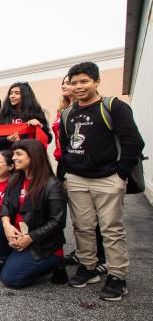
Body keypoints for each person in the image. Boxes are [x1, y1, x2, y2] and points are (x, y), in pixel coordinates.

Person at [61, 62, 144, 301]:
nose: (78, 87)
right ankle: (87, 267)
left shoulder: (114, 107)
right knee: (82, 226)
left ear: (97, 81)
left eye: (84, 81)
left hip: (108, 178)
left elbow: (133, 142)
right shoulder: (68, 113)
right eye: (74, 82)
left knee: (112, 230)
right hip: (77, 179)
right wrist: (68, 173)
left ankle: (117, 275)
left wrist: (121, 174)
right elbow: (65, 146)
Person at [0, 139, 67, 289]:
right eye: (13, 154)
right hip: (18, 234)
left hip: (41, 244)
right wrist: (6, 225)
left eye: (18, 154)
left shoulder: (52, 185)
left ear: (33, 156)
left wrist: (29, 238)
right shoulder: (16, 178)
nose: (13, 157)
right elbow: (5, 204)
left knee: (10, 279)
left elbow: (57, 222)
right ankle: (2, 260)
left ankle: (55, 263)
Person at [51, 75, 106, 273]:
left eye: (70, 82)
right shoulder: (64, 111)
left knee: (95, 216)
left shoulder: (90, 110)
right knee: (79, 216)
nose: (66, 85)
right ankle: (84, 253)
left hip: (86, 166)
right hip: (64, 164)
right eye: (65, 83)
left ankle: (101, 255)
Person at [0, 82, 52, 151]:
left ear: (25, 95)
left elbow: (48, 139)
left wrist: (40, 126)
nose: (12, 96)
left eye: (17, 93)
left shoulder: (36, 113)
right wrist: (8, 139)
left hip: (30, 156)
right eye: (11, 93)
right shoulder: (4, 114)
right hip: (9, 157)